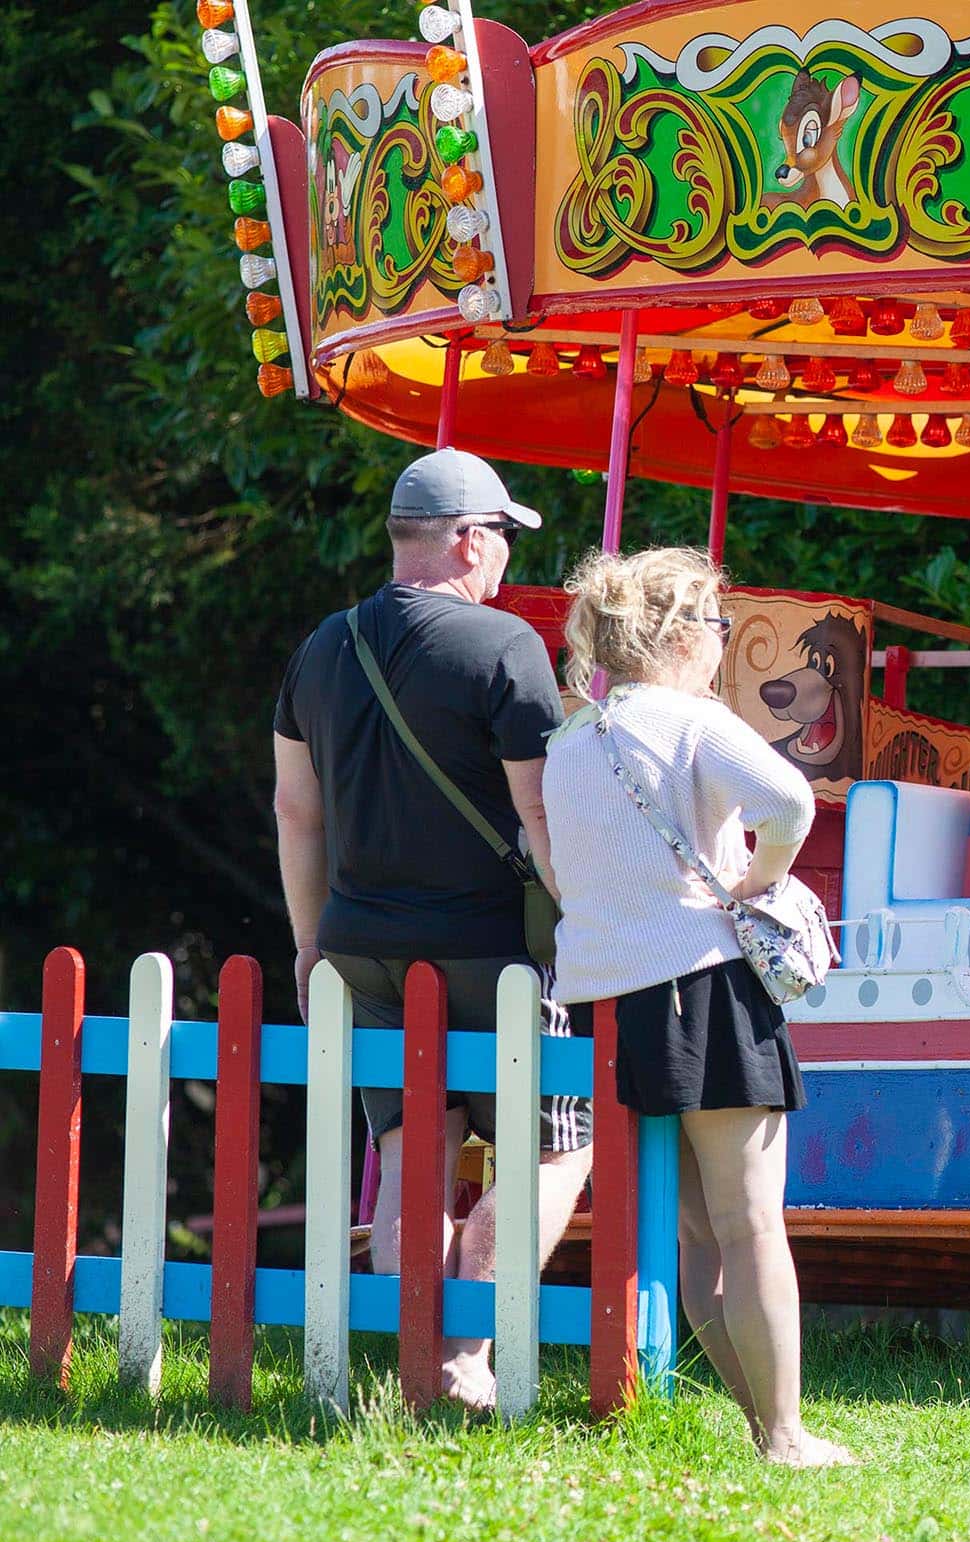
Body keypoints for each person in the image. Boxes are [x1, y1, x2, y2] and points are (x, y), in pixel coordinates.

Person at [273, 448, 595, 1409]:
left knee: (414, 1149)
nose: (500, 557)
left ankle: (421, 1366)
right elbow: (540, 817)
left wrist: (308, 941)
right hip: (490, 952)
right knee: (551, 1151)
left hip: (362, 945)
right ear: (465, 539)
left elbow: (296, 811)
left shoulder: (322, 647)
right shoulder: (505, 649)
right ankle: (462, 1360)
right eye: (499, 537)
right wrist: (585, 918)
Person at [542, 547, 852, 1468]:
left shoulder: (572, 740)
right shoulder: (691, 721)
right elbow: (790, 799)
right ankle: (784, 1433)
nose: (723, 643)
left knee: (694, 1234)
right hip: (708, 985)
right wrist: (761, 881)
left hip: (610, 1000)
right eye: (717, 627)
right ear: (681, 636)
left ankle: (765, 1427)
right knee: (752, 1222)